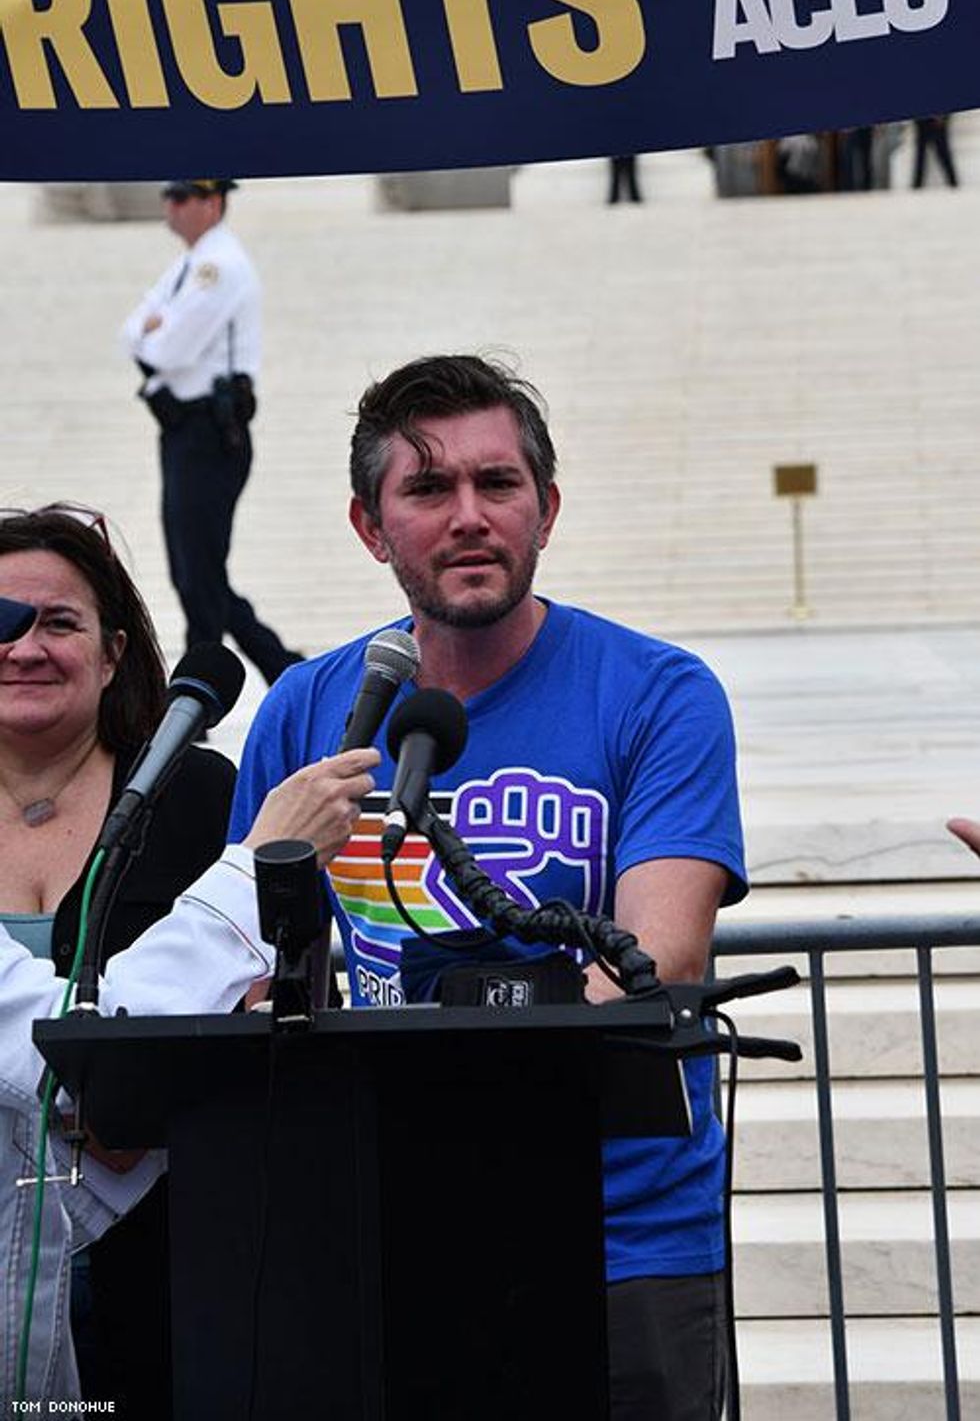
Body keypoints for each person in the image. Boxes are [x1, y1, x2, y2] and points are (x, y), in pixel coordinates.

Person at [230, 354, 748, 1419]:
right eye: (426, 490)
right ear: (370, 528)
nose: (468, 515)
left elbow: (662, 959)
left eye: (496, 484)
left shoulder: (657, 694)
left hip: (622, 1236)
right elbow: (250, 966)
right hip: (386, 1219)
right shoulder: (304, 711)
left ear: (545, 509)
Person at [2, 734, 379, 1404]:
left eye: (58, 622)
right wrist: (257, 864)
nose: (21, 652)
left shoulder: (196, 787)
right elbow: (96, 1037)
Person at [120, 178, 300, 684]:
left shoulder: (217, 267)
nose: (169, 207)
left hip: (211, 432)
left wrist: (155, 331)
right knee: (192, 571)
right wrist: (149, 331)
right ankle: (280, 666)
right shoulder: (189, 265)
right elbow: (130, 332)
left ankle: (202, 689)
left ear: (212, 202)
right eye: (168, 196)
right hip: (183, 430)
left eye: (181, 198)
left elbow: (167, 350)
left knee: (198, 572)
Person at [912, 116, 958, 189]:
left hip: (934, 122)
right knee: (922, 156)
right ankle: (917, 184)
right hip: (924, 122)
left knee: (942, 153)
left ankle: (953, 182)